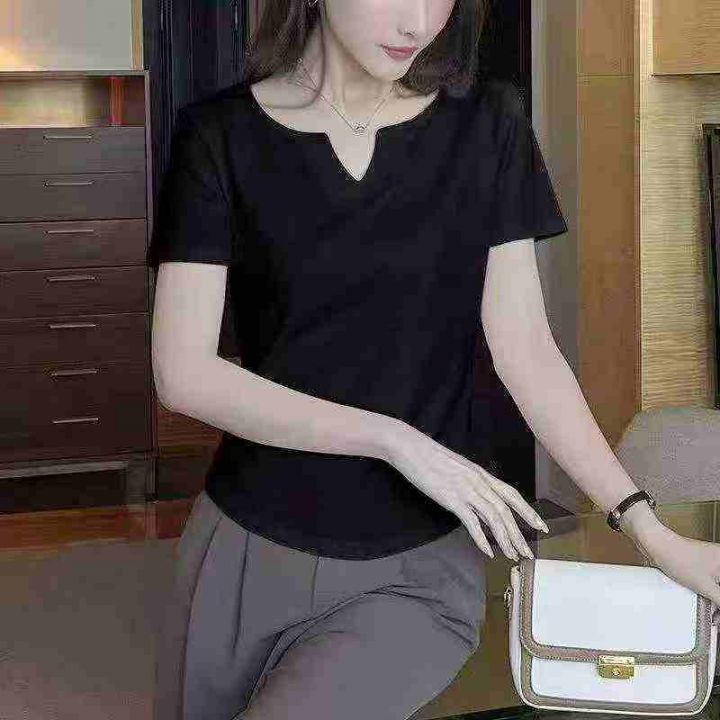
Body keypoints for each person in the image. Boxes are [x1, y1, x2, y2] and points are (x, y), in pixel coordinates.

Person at [149, 0, 720, 718]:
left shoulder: (487, 128)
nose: (419, 22)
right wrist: (393, 439)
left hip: (414, 571)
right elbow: (183, 374)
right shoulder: (218, 136)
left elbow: (527, 351)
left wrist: (645, 526)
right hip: (244, 548)